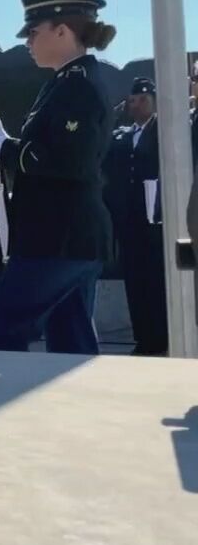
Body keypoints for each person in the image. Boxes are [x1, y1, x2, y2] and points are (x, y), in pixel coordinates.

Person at [0, 0, 115, 355]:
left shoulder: (78, 86)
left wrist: (5, 150)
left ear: (63, 31)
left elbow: (68, 161)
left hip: (58, 239)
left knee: (1, 333)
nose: (28, 42)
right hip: (66, 238)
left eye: (34, 32)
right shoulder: (65, 82)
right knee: (71, 347)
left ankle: (3, 414)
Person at [104, 78, 166, 355]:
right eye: (133, 100)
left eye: (144, 99)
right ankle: (144, 338)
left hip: (155, 223)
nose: (138, 105)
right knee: (135, 284)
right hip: (129, 224)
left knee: (157, 283)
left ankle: (161, 339)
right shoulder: (122, 136)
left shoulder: (164, 130)